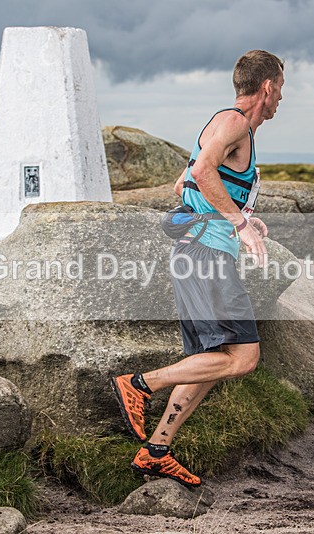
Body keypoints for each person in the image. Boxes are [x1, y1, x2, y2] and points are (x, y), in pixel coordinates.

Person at [110, 50, 284, 488]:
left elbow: (184, 182)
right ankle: (139, 384)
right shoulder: (235, 122)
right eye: (281, 87)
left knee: (211, 359)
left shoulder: (226, 126)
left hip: (198, 252)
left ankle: (156, 450)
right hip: (205, 256)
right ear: (267, 86)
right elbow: (204, 171)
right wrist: (238, 222)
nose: (282, 97)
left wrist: (241, 211)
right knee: (244, 359)